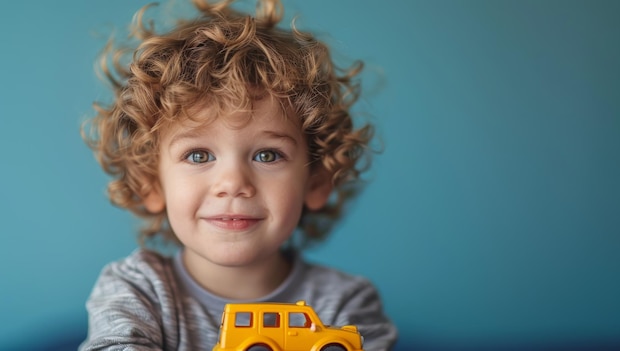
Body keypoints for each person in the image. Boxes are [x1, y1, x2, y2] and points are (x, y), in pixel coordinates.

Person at [80, 0, 397, 350]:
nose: (233, 183)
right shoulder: (136, 289)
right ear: (151, 183)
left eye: (267, 155)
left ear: (316, 181)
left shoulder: (346, 305)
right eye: (198, 155)